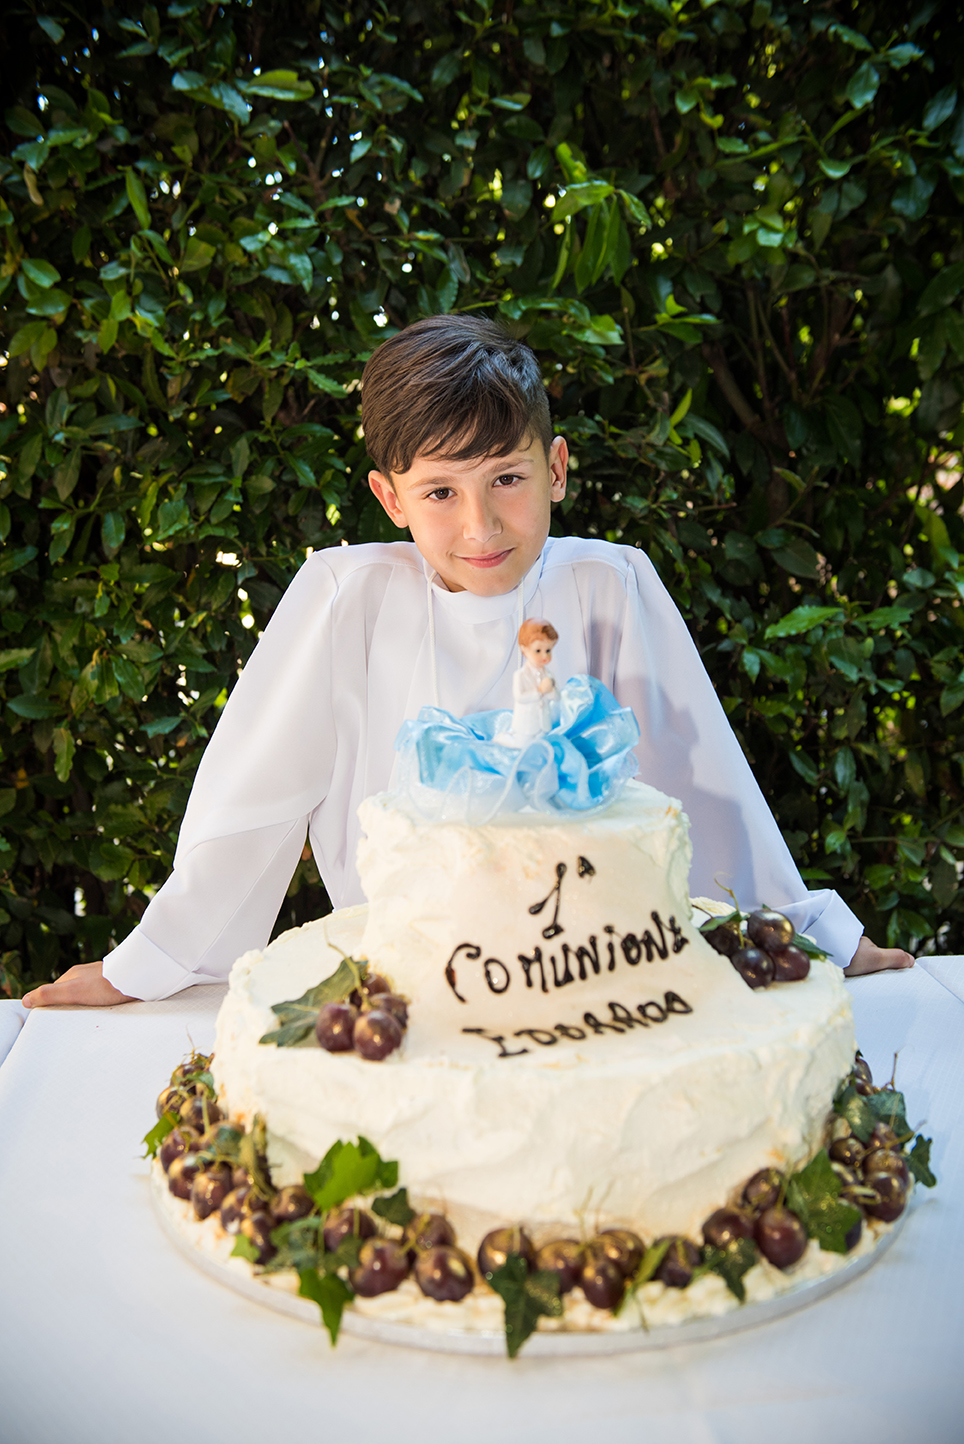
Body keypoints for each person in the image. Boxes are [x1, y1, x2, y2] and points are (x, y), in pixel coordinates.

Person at [23, 315, 913, 1008]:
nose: (479, 525)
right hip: (405, 980)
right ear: (390, 497)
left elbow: (700, 781)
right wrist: (154, 960)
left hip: (593, 977)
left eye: (507, 480)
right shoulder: (344, 598)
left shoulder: (610, 584)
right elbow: (254, 802)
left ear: (556, 468)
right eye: (441, 492)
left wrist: (805, 934)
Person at [496, 618, 560, 746]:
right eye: (538, 651)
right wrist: (540, 691)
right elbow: (520, 697)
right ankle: (503, 739)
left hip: (543, 724)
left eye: (548, 650)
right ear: (524, 649)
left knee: (541, 746)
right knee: (520, 746)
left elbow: (557, 697)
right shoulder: (520, 675)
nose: (544, 656)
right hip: (526, 725)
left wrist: (551, 690)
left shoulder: (548, 675)